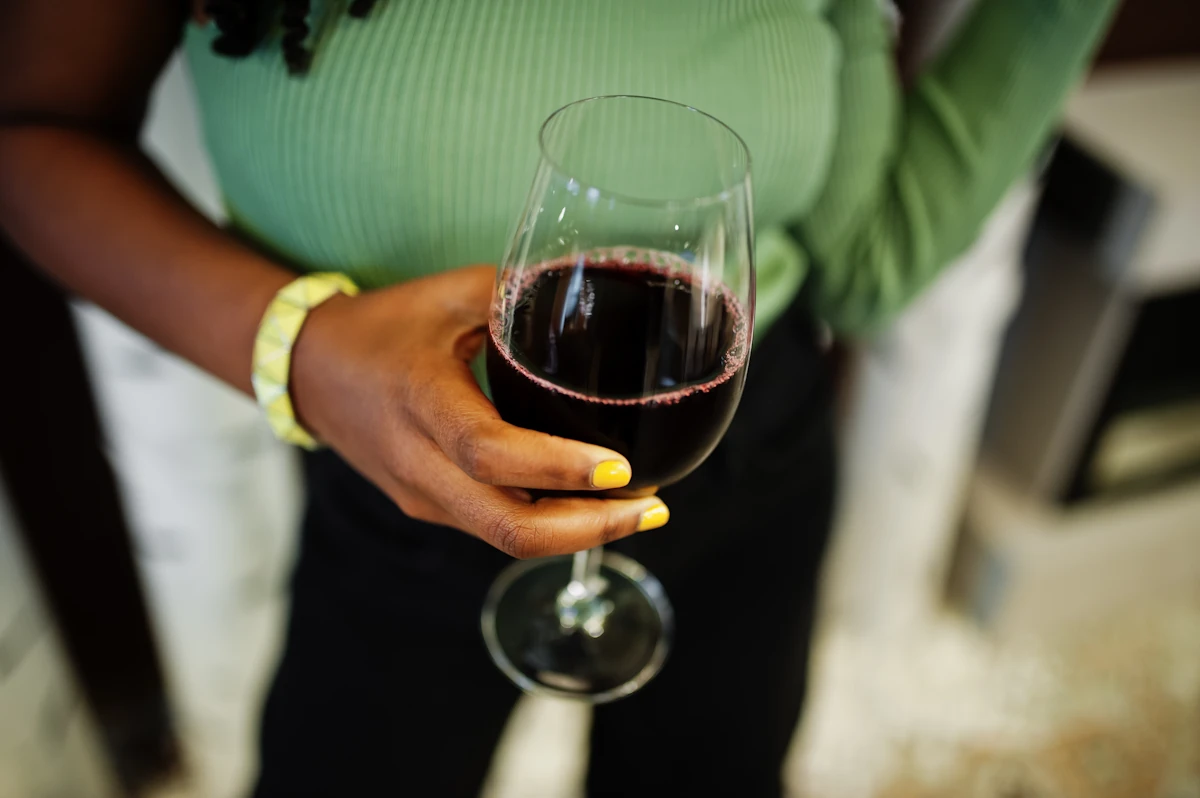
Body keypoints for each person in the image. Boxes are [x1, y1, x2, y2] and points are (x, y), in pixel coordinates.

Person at [0, 1, 1118, 795]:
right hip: (405, 480)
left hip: (742, 459)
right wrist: (303, 346)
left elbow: (871, 261)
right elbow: (34, 132)